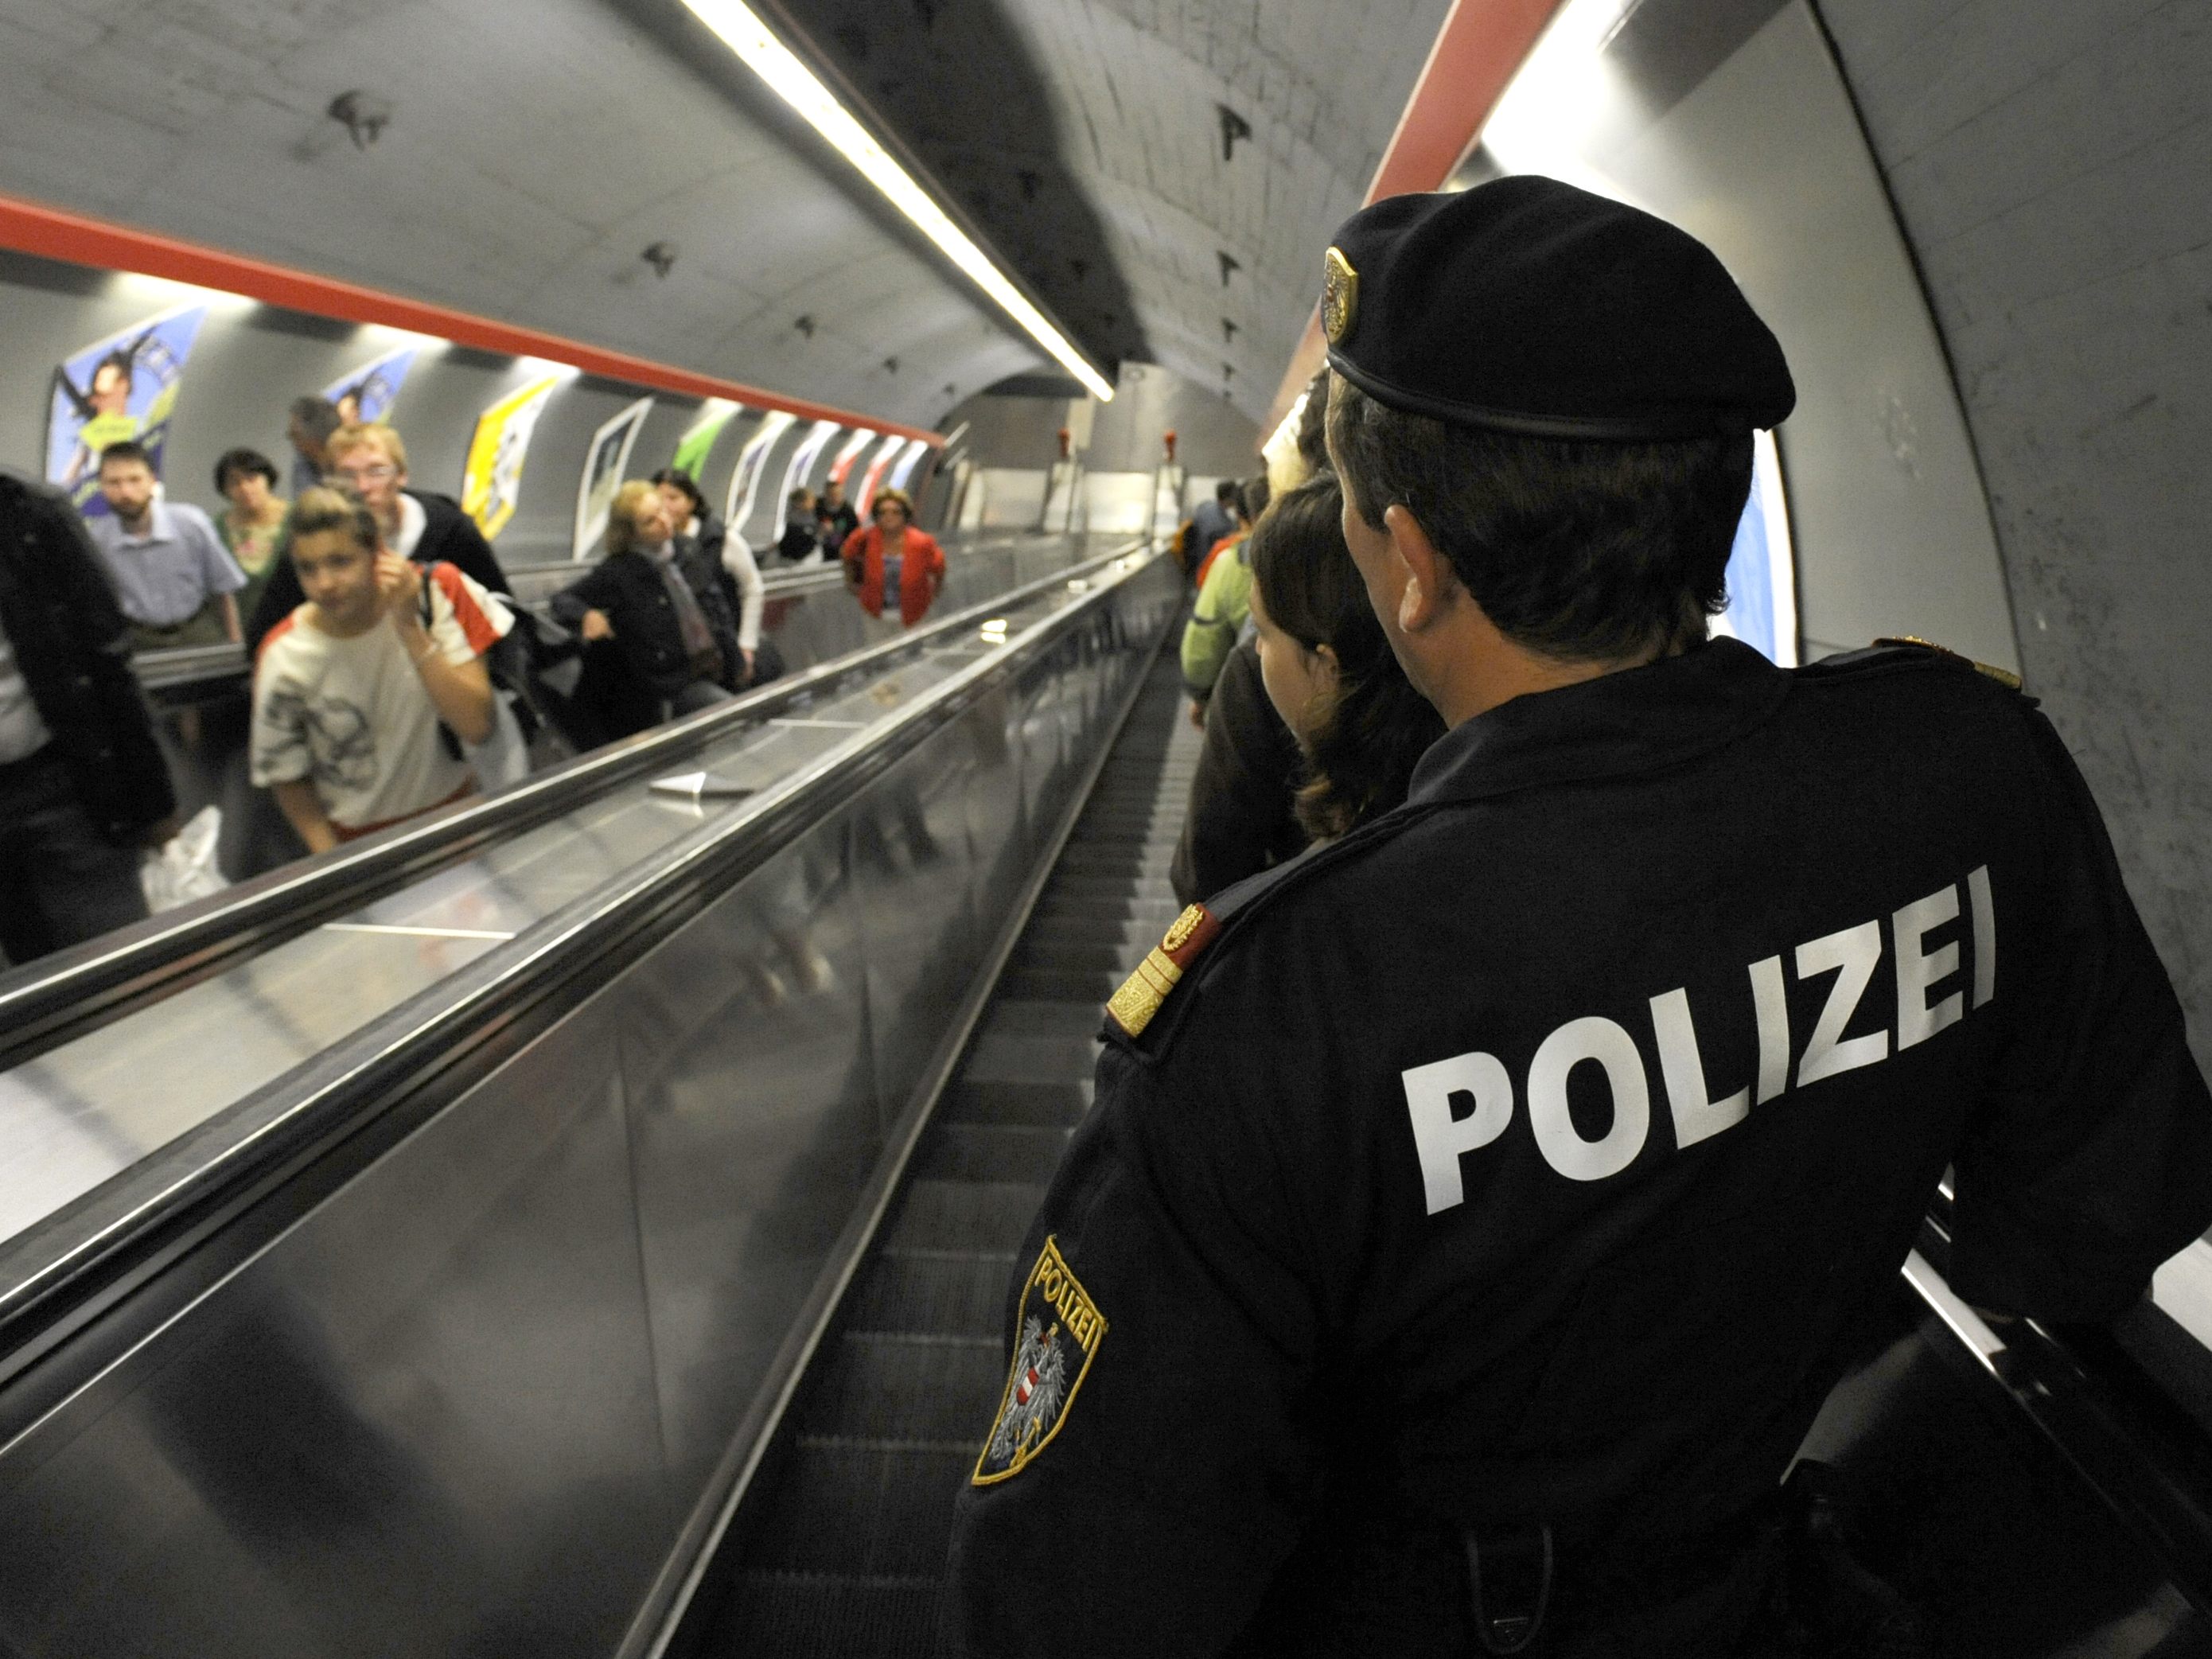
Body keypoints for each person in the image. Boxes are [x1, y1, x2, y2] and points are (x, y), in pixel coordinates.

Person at [946, 177, 2212, 1656]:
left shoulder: (1274, 1019)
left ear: (1412, 567)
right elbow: (2081, 1233)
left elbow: (1071, 1603)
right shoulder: (1970, 773)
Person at [251, 486, 512, 853]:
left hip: (456, 821)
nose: (324, 584)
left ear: (378, 554)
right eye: (308, 568)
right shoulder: (284, 654)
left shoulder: (436, 594)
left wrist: (409, 629)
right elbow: (287, 776)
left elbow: (475, 725)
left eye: (340, 562)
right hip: (359, 841)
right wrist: (332, 859)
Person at [0, 466, 176, 961]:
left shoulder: (29, 514)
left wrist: (155, 804)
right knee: (29, 994)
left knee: (115, 963)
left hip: (66, 782)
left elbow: (105, 657)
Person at [1246, 471, 1444, 841]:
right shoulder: (1442, 792)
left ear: (1326, 670)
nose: (1256, 650)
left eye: (1263, 632)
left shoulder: (1335, 884)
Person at [245, 423, 513, 652]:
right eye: (348, 475)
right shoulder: (314, 544)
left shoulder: (450, 531)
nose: (363, 487)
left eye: (377, 471)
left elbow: (502, 610)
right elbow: (266, 634)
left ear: (401, 476)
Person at [551, 480, 740, 742]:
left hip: (716, 664)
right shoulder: (619, 572)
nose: (664, 522)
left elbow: (715, 604)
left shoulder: (686, 549)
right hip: (674, 683)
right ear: (631, 533)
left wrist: (736, 654)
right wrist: (586, 614)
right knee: (733, 723)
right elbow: (562, 600)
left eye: (662, 511)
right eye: (650, 521)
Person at [84, 442, 247, 650]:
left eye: (135, 480)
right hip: (139, 638)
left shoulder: (190, 524)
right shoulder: (97, 540)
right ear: (101, 487)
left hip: (197, 632)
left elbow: (223, 591)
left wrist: (236, 647)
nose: (125, 492)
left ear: (152, 481)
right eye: (113, 482)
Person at [654, 466, 765, 687]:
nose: (665, 506)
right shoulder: (654, 546)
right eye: (658, 500)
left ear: (691, 502)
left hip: (724, 649)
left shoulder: (721, 539)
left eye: (673, 498)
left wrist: (746, 645)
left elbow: (752, 589)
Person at [1178, 476, 1267, 727]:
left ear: (1241, 516)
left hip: (1245, 699)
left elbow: (1206, 635)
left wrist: (1199, 694)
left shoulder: (1232, 561)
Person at [841, 488, 945, 628]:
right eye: (883, 512)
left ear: (905, 515)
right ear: (876, 516)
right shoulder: (866, 537)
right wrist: (850, 582)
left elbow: (939, 567)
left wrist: (934, 593)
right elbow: (847, 553)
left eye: (896, 512)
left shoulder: (922, 542)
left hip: (915, 615)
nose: (889, 517)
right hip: (875, 616)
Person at [212, 447, 290, 632]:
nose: (245, 488)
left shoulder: (297, 518)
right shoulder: (216, 529)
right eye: (235, 483)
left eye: (252, 479)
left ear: (267, 479)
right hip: (242, 631)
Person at [286, 395, 343, 498]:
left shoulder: (354, 460)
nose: (291, 439)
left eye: (294, 434)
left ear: (313, 440)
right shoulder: (302, 464)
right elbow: (306, 506)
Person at [814, 476, 859, 556]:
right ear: (826, 494)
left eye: (838, 494)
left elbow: (855, 532)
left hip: (840, 549)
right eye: (832, 494)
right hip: (818, 547)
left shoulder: (847, 511)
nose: (835, 497)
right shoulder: (817, 506)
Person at [776, 488, 822, 563]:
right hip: (794, 554)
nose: (814, 503)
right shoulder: (792, 519)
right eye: (810, 500)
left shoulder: (817, 515)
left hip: (809, 554)